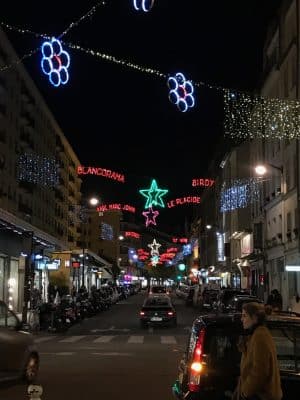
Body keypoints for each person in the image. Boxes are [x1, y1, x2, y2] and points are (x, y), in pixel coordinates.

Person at [233, 302, 282, 400]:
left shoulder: (260, 336)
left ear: (255, 318)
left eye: (245, 316)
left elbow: (260, 371)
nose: (242, 319)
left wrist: (245, 391)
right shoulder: (254, 334)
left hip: (261, 396)